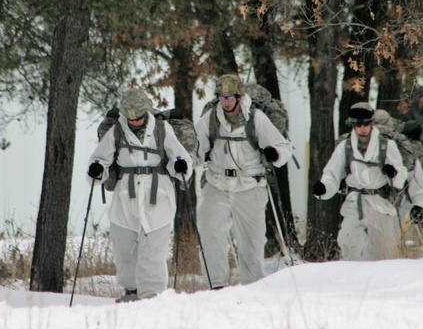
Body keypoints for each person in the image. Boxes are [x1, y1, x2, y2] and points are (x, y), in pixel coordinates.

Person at [87, 88, 193, 302]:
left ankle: (152, 298)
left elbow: (179, 157)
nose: (134, 121)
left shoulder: (162, 129)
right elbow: (99, 159)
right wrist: (97, 169)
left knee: (153, 251)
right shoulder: (116, 131)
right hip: (125, 197)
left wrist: (180, 165)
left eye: (139, 117)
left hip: (158, 197)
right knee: (124, 250)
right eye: (131, 118)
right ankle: (131, 291)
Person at [194, 74, 293, 289]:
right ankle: (216, 285)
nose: (226, 101)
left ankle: (252, 287)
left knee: (252, 241)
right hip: (217, 183)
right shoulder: (210, 118)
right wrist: (184, 162)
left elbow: (283, 147)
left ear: (239, 97)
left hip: (250, 185)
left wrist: (274, 154)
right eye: (222, 97)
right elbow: (196, 148)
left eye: (230, 97)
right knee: (210, 232)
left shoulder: (256, 118)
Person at [312, 102, 408, 261]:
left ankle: (382, 281)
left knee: (385, 249)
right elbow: (332, 173)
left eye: (366, 123)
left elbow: (400, 174)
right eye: (358, 124)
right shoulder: (345, 147)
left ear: (372, 123)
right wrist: (324, 187)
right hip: (354, 202)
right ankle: (352, 279)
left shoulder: (386, 145)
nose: (362, 127)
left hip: (380, 203)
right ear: (353, 125)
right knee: (347, 241)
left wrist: (394, 173)